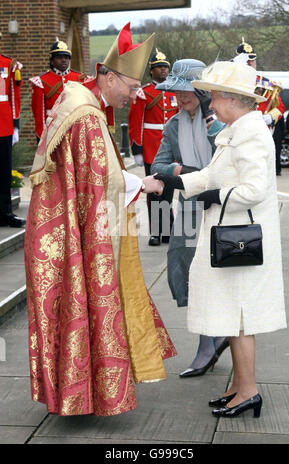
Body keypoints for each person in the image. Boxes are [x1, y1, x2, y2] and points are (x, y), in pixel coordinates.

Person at [24, 23, 176, 417]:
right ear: (108, 78)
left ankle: (77, 395)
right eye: (129, 87)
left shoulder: (77, 101)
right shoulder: (88, 117)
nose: (133, 95)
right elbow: (102, 182)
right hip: (73, 235)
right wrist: (144, 183)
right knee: (85, 303)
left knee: (73, 311)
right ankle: (83, 396)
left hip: (58, 230)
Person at [150, 61, 287, 418]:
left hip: (242, 241)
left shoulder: (251, 133)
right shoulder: (237, 130)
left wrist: (213, 196)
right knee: (234, 317)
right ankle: (239, 388)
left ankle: (250, 391)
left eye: (214, 96)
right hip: (232, 236)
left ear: (231, 99)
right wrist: (176, 183)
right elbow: (211, 173)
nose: (210, 103)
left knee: (241, 320)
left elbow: (254, 189)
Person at [151, 58, 229, 377]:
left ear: (202, 92)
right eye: (177, 93)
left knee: (214, 274)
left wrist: (185, 171)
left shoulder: (219, 123)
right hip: (188, 206)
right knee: (182, 266)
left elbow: (224, 168)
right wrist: (186, 171)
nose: (181, 99)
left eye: (187, 93)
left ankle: (211, 341)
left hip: (220, 207)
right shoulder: (173, 125)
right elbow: (159, 165)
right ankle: (210, 338)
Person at [128, 49, 178, 246]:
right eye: (159, 68)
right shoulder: (144, 93)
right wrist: (137, 149)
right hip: (151, 147)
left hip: (171, 148)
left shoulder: (175, 90)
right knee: (154, 191)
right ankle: (156, 232)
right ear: (152, 71)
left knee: (169, 191)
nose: (163, 70)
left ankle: (168, 231)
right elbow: (135, 122)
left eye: (165, 67)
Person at [233, 38, 285, 175]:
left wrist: (270, 117)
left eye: (253, 61)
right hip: (237, 138)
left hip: (261, 138)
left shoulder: (267, 84)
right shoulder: (230, 83)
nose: (250, 64)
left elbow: (280, 108)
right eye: (247, 61)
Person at [29, 39, 90, 142]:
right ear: (52, 61)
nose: (63, 60)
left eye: (66, 57)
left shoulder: (80, 78)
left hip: (76, 128)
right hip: (52, 130)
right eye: (59, 57)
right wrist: (41, 135)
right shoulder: (41, 81)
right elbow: (38, 112)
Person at [0, 38, 26, 228]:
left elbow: (13, 96)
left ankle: (5, 213)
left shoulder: (8, 65)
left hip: (3, 125)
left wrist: (15, 124)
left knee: (3, 172)